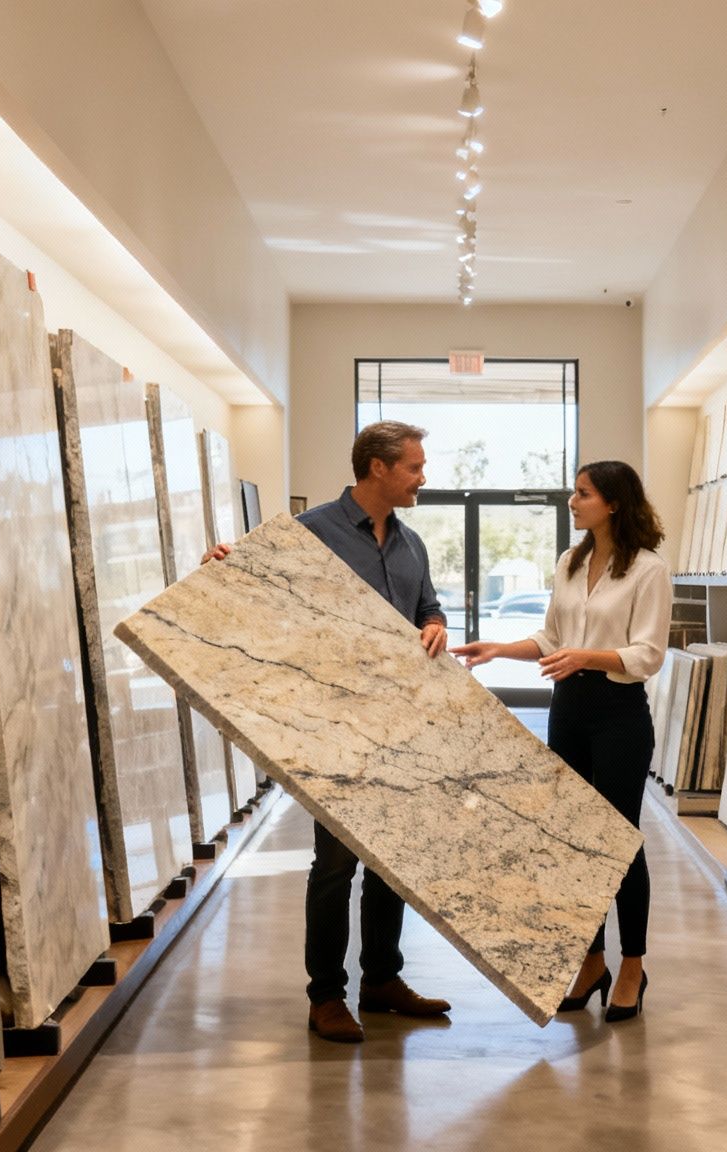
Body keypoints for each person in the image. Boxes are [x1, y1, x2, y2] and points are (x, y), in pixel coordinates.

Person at [204, 421, 452, 1044]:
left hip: (400, 725)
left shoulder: (411, 543)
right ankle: (326, 996)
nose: (423, 477)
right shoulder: (312, 532)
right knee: (336, 865)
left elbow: (428, 604)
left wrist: (436, 623)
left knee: (393, 863)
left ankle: (382, 979)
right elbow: (253, 589)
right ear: (376, 468)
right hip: (335, 726)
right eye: (414, 467)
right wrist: (223, 568)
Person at [452, 460, 671, 1022]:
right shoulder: (569, 562)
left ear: (614, 503)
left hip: (619, 712)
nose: (572, 502)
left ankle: (632, 965)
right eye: (574, 493)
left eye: (583, 493)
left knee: (620, 839)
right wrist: (499, 649)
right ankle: (592, 959)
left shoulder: (648, 571)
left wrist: (586, 657)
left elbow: (648, 654)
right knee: (575, 837)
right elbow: (552, 638)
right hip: (568, 709)